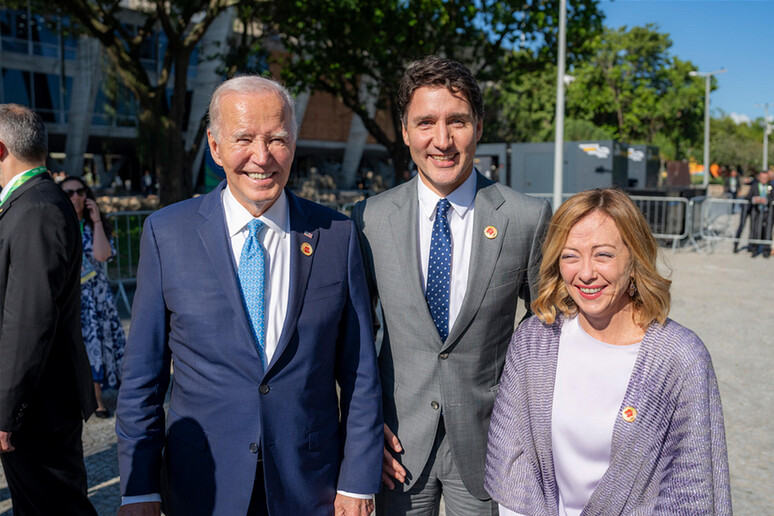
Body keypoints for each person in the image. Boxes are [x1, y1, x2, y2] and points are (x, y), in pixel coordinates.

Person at [116, 76, 382, 516]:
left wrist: (357, 481)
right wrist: (139, 488)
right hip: (203, 486)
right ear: (215, 147)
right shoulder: (167, 233)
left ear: (294, 143)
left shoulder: (338, 237)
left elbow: (359, 372)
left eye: (277, 139)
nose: (262, 157)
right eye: (244, 139)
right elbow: (144, 377)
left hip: (309, 486)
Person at [352, 56, 551, 515]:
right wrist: (361, 430)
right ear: (404, 131)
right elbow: (351, 337)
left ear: (478, 127)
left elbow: (550, 332)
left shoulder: (525, 217)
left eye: (456, 121)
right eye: (425, 122)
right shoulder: (369, 220)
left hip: (489, 449)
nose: (441, 140)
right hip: (396, 449)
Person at [485, 188, 732, 515]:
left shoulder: (681, 358)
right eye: (571, 255)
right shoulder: (534, 341)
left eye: (603, 254)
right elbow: (512, 458)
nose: (585, 273)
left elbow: (691, 486)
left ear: (635, 258)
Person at [0, 104, 97, 515]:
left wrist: (5, 409)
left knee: (54, 509)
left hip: (37, 407)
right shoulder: (30, 202)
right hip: (38, 402)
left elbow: (29, 318)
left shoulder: (36, 208)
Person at [60, 175, 126, 418]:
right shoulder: (56, 224)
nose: (75, 197)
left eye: (80, 191)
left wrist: (97, 220)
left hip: (96, 298)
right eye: (68, 193)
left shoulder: (93, 226)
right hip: (69, 298)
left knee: (97, 344)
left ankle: (97, 400)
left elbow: (102, 255)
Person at [746, 170, 773, 257]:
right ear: (759, 178)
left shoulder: (770, 187)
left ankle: (766, 250)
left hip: (768, 212)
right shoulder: (754, 186)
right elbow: (748, 197)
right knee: (755, 230)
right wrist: (755, 199)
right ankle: (754, 249)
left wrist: (766, 200)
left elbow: (772, 197)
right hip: (756, 212)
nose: (764, 179)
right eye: (762, 177)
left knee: (767, 231)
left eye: (766, 178)